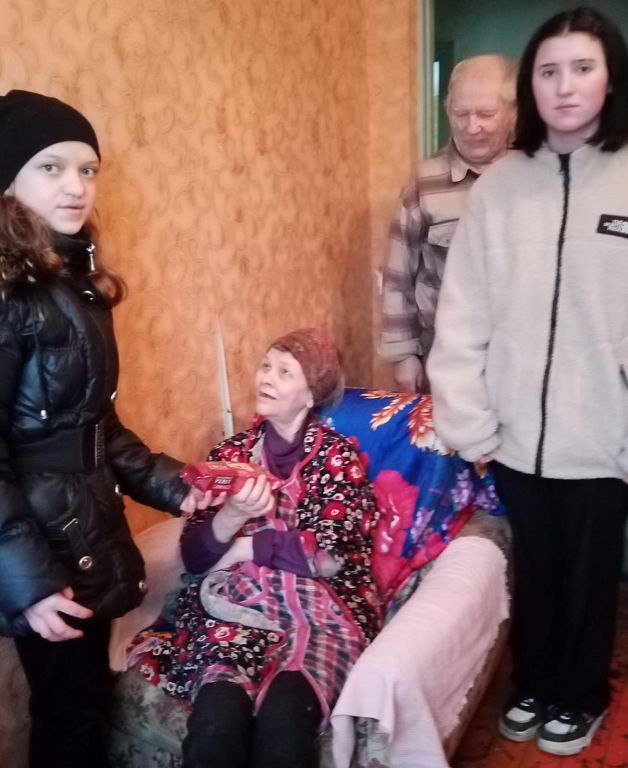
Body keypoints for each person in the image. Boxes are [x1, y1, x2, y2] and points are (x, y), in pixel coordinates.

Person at [428, 7, 628, 757]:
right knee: (533, 570)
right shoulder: (501, 187)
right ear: (531, 87)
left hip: (604, 436)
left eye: (582, 68)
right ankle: (535, 684)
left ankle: (582, 693)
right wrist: (470, 421)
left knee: (590, 576)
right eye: (549, 71)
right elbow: (462, 314)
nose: (565, 86)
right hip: (513, 435)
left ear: (610, 80)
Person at [0, 90, 213, 768]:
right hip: (40, 547)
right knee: (67, 717)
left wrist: (180, 486)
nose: (76, 186)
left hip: (82, 528)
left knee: (87, 705)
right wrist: (29, 582)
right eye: (52, 167)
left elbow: (96, 427)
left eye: (88, 169)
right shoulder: (8, 294)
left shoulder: (72, 283)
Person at [127, 328, 381, 768]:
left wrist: (245, 547)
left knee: (285, 722)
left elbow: (328, 556)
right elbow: (196, 559)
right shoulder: (231, 455)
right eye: (266, 365)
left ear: (311, 394)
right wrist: (231, 515)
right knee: (217, 723)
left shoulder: (337, 458)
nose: (266, 377)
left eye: (285, 372)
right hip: (233, 606)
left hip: (319, 613)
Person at [381, 54, 516, 391]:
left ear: (512, 113)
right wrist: (403, 355)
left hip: (518, 353)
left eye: (486, 114)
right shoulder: (424, 182)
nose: (472, 127)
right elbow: (398, 276)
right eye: (461, 114)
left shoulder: (533, 178)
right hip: (444, 353)